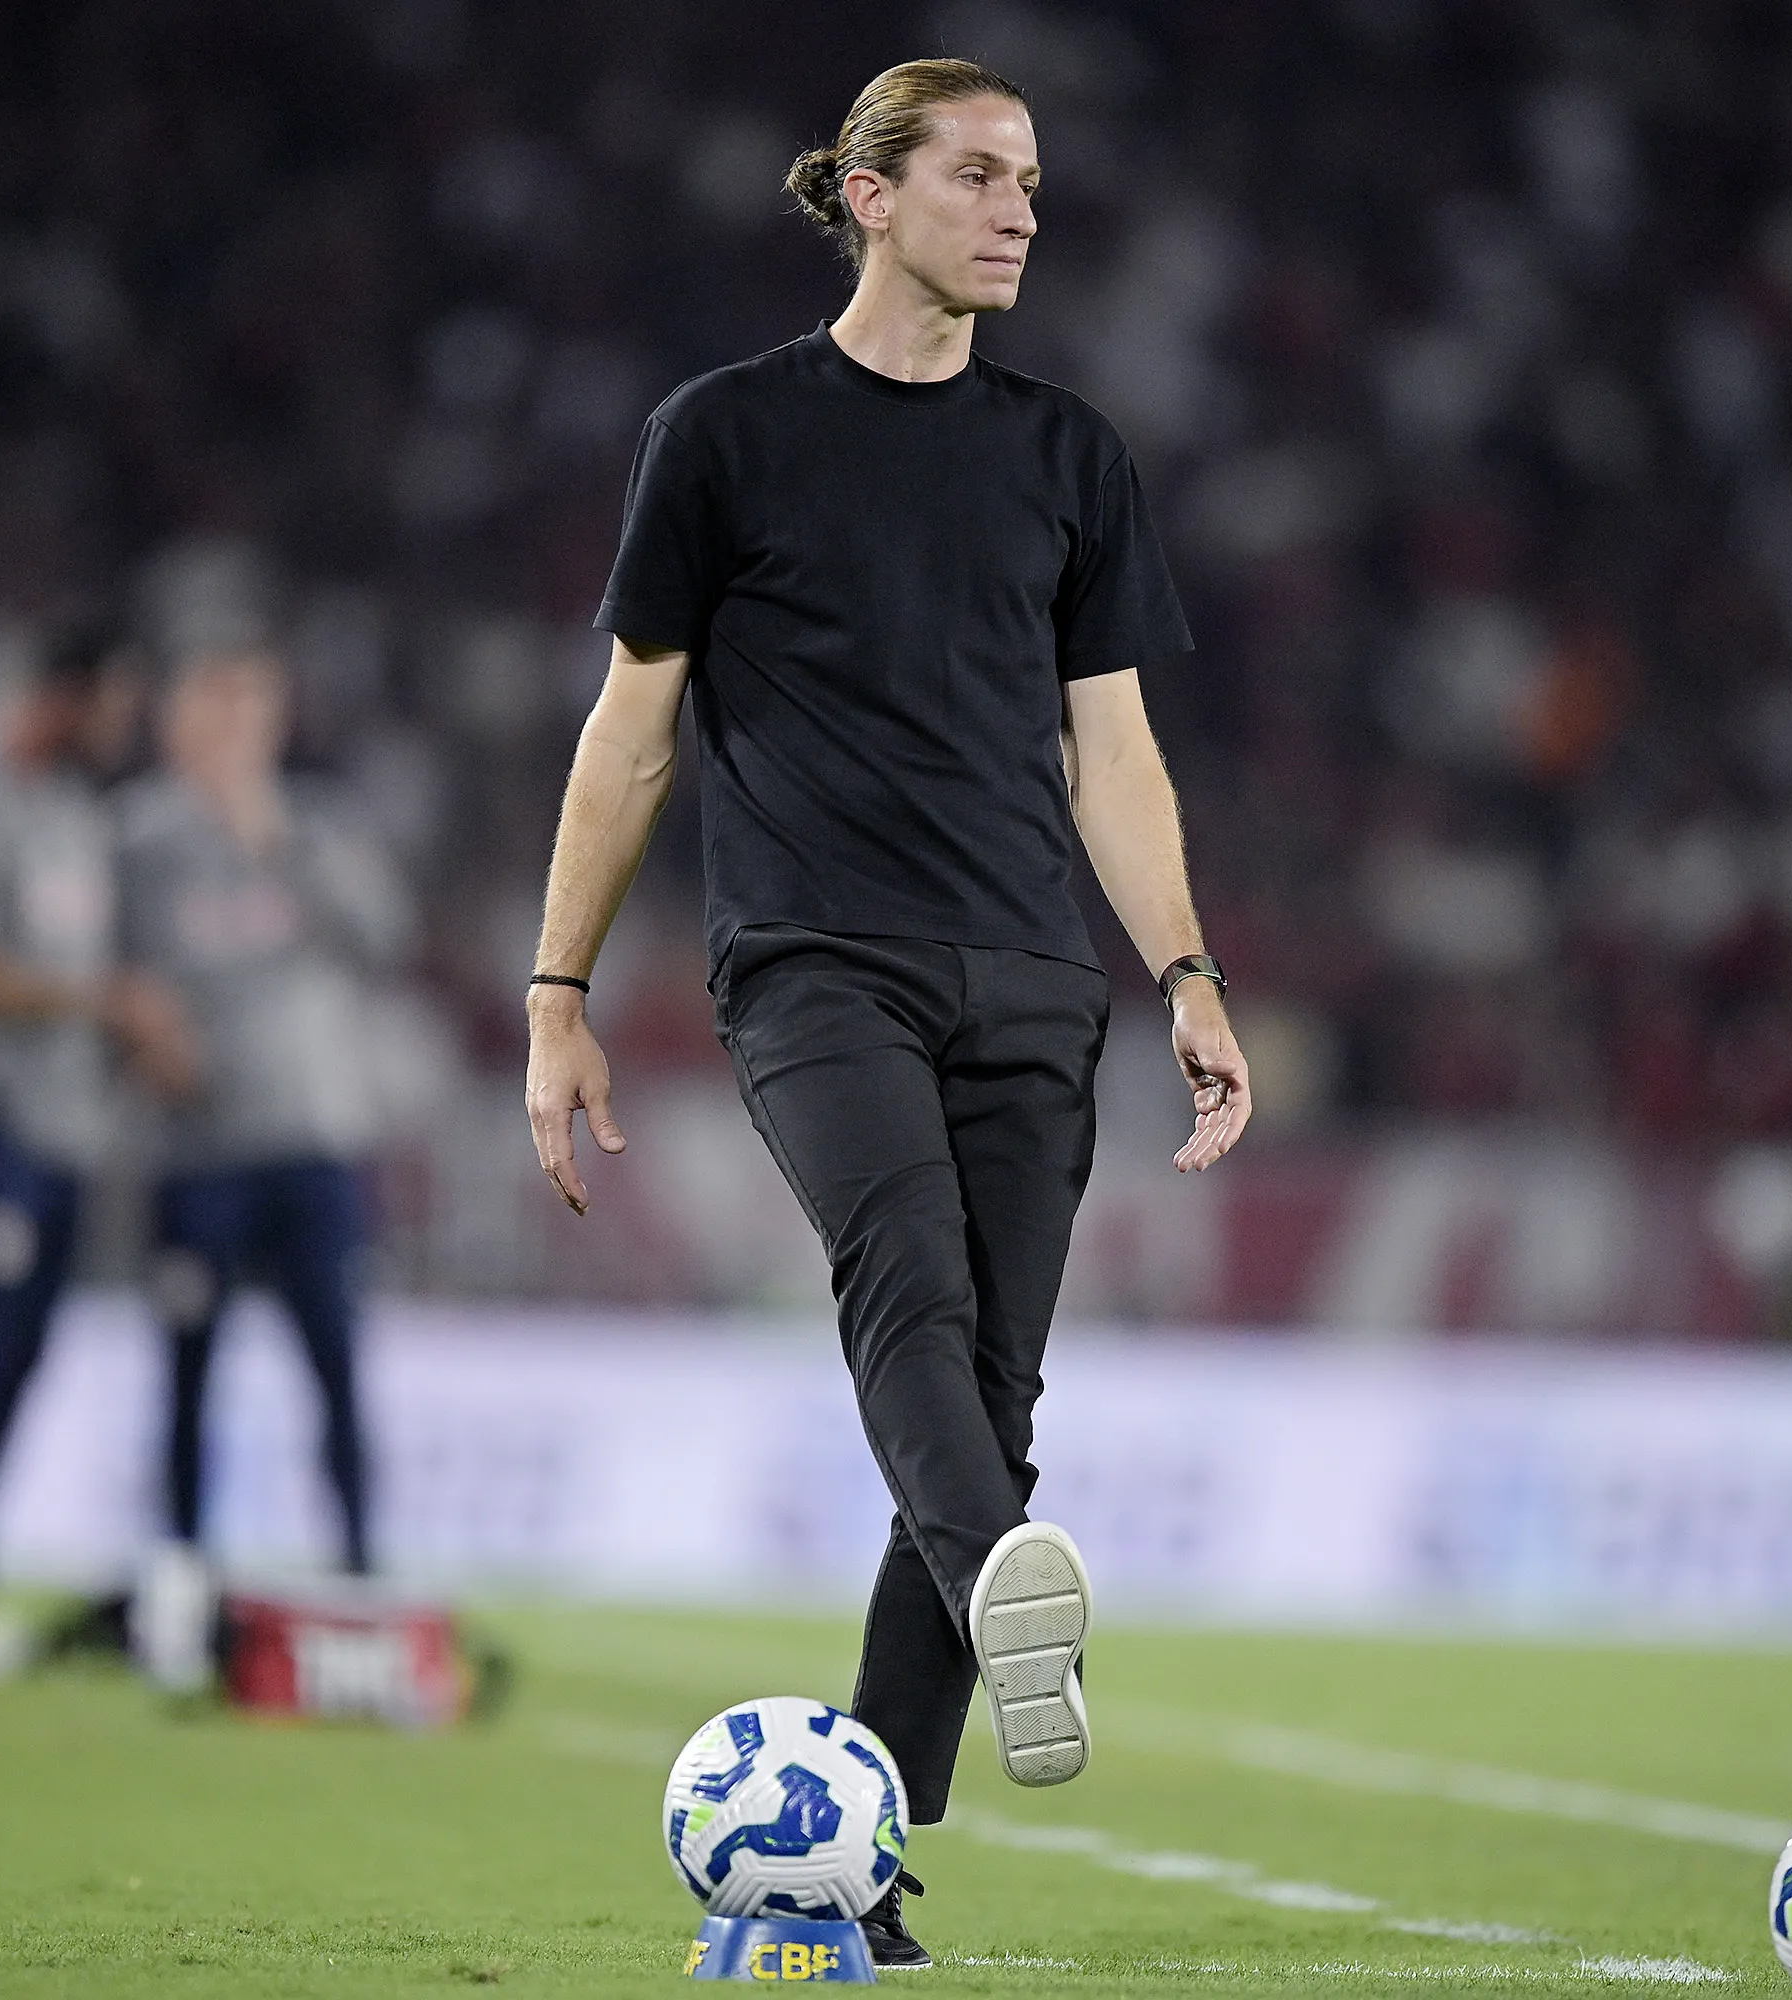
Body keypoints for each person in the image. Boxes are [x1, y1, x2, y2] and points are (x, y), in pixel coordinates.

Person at [522, 58, 1250, 1969]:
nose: (1019, 211)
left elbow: (1117, 759)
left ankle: (866, 1841)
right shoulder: (723, 436)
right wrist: (557, 992)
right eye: (981, 176)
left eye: (1032, 183)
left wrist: (1184, 970)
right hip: (813, 963)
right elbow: (634, 729)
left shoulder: (1072, 456)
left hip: (1032, 973)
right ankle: (1001, 1569)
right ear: (869, 192)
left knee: (991, 1397)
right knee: (905, 1285)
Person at [0, 622, 183, 1602]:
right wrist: (104, 1004)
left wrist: (128, 1038)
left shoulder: (69, 811)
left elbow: (77, 970)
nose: (126, 723)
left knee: (22, 1356)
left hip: (64, 1132)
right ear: (68, 691)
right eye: (116, 701)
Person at [115, 622, 415, 1578]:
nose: (234, 723)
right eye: (215, 699)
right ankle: (180, 1572)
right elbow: (95, 971)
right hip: (195, 1150)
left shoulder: (317, 825)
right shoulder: (137, 840)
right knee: (188, 1370)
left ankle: (358, 1566)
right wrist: (132, 1033)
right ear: (176, 716)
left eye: (251, 701)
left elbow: (383, 937)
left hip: (314, 1143)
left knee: (335, 1369)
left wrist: (276, 841)